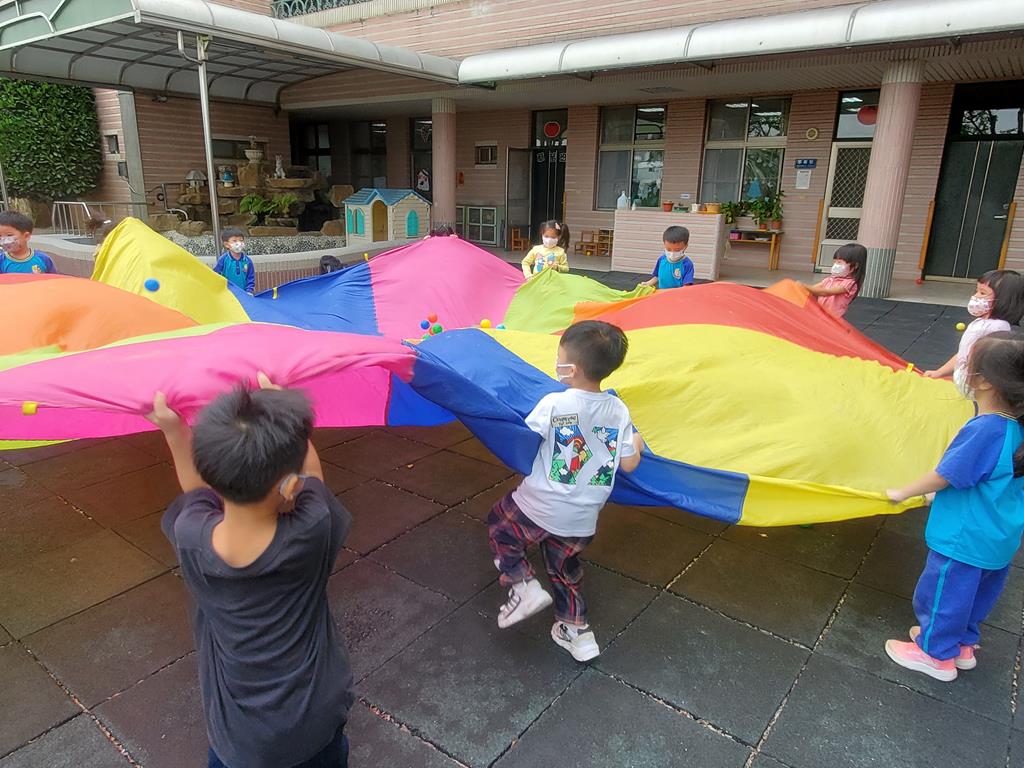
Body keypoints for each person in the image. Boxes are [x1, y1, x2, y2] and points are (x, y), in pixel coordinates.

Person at [150, 374, 354, 767]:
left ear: (210, 471)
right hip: (315, 722)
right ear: (290, 486)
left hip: (239, 739)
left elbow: (195, 492)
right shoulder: (312, 530)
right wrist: (293, 421)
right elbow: (313, 477)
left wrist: (174, 432)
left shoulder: (191, 537)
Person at [488, 320, 643, 662]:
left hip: (538, 504)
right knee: (564, 571)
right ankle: (578, 633)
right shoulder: (618, 411)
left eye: (559, 359)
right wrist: (637, 441)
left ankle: (523, 584)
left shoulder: (554, 404)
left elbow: (524, 438)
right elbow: (630, 464)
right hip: (582, 519)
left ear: (570, 369)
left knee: (501, 525)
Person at [884, 331, 1024, 682]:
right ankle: (962, 645)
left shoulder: (986, 429)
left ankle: (935, 654)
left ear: (985, 381)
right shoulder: (1016, 428)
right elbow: (991, 479)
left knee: (942, 594)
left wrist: (902, 491)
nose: (961, 370)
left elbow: (946, 475)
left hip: (965, 539)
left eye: (967, 364)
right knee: (976, 595)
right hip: (999, 539)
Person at [925, 269, 1024, 396]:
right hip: (967, 382)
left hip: (978, 388)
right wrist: (939, 372)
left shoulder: (997, 327)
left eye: (983, 293)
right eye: (976, 291)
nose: (976, 296)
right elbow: (963, 353)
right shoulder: (981, 322)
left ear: (1004, 300)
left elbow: (989, 361)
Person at [804, 243, 867, 319]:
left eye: (839, 262)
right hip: (821, 315)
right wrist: (800, 288)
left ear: (855, 265)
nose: (835, 265)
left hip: (834, 318)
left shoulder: (849, 284)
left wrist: (804, 286)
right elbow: (813, 288)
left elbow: (826, 292)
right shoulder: (830, 279)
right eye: (835, 262)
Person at [638, 225, 694, 290]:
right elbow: (657, 276)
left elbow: (687, 285)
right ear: (664, 244)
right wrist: (648, 283)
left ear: (685, 246)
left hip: (678, 294)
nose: (672, 253)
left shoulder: (687, 264)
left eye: (677, 250)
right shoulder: (661, 259)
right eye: (668, 249)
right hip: (662, 293)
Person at [212, 227, 256, 294]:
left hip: (244, 294)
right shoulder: (223, 260)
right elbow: (216, 275)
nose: (239, 243)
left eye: (241, 240)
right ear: (227, 244)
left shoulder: (247, 261)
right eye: (234, 241)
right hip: (228, 294)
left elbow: (250, 278)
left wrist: (249, 291)